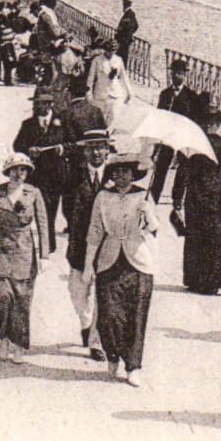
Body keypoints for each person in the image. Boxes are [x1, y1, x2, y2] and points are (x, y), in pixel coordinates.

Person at [84, 155, 158, 385]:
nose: (120, 177)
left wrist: (149, 213)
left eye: (125, 172)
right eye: (116, 172)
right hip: (109, 259)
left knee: (136, 315)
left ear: (133, 174)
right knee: (108, 314)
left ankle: (134, 366)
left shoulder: (143, 196)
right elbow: (95, 231)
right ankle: (113, 357)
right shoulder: (103, 197)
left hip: (138, 261)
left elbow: (154, 228)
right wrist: (88, 265)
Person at [0, 154, 49, 363]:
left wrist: (44, 255)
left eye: (23, 170)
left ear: (27, 173)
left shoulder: (33, 193)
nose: (18, 174)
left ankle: (18, 344)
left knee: (21, 300)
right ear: (8, 172)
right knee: (2, 298)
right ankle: (3, 338)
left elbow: (44, 226)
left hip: (24, 252)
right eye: (15, 170)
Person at [62, 128, 112, 358]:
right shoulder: (74, 176)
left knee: (102, 294)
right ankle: (85, 323)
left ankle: (96, 341)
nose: (96, 152)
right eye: (91, 147)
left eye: (101, 147)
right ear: (84, 151)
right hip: (79, 244)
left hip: (107, 245)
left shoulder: (114, 178)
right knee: (76, 291)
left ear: (108, 149)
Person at [176, 107, 221, 295]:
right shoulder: (190, 144)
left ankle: (211, 282)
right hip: (195, 195)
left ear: (218, 124)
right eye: (206, 121)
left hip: (214, 196)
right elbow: (182, 172)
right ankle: (195, 281)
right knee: (196, 238)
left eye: (214, 122)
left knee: (213, 240)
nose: (210, 125)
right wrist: (177, 197)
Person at [12, 89, 70, 256]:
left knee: (51, 211)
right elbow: (17, 146)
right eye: (35, 104)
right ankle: (47, 245)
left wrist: (63, 148)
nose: (37, 107)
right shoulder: (27, 124)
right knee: (41, 210)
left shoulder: (62, 122)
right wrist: (29, 150)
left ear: (49, 105)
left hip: (57, 174)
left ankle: (48, 244)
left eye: (41, 104)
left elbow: (72, 143)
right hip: (37, 176)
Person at [150, 58, 202, 202]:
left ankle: (177, 201)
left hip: (183, 138)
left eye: (180, 73)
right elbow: (159, 117)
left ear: (185, 75)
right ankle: (154, 198)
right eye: (174, 73)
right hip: (167, 137)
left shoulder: (191, 96)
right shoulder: (165, 94)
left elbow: (195, 120)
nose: (177, 76)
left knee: (182, 171)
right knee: (161, 168)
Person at [86, 35, 133, 126]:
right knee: (100, 121)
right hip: (100, 95)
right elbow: (91, 78)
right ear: (105, 50)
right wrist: (89, 94)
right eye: (109, 51)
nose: (111, 53)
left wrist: (130, 92)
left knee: (113, 120)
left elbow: (124, 77)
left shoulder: (118, 60)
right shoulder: (97, 60)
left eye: (113, 51)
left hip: (115, 94)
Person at [115, 0, 139, 65]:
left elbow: (131, 26)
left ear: (125, 6)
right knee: (121, 57)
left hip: (124, 40)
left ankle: (122, 71)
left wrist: (128, 35)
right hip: (124, 40)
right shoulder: (129, 14)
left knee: (122, 57)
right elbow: (136, 26)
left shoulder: (129, 14)